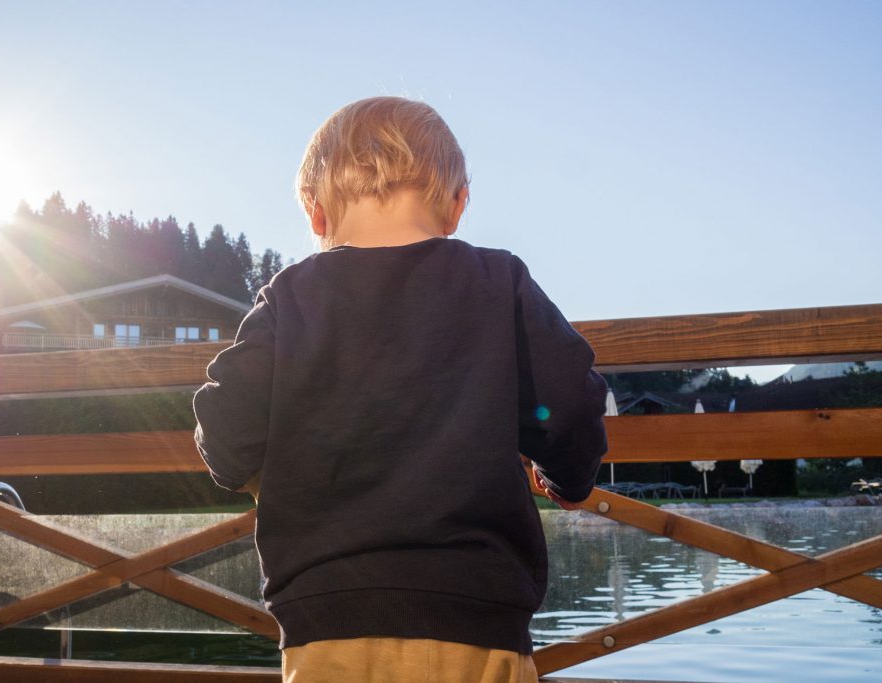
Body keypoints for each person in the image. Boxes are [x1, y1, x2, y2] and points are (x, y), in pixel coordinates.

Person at [193, 96, 607, 683]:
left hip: (327, 620)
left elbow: (227, 434)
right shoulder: (498, 281)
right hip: (477, 616)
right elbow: (569, 402)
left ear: (314, 211)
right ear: (458, 205)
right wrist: (568, 477)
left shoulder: (291, 297)